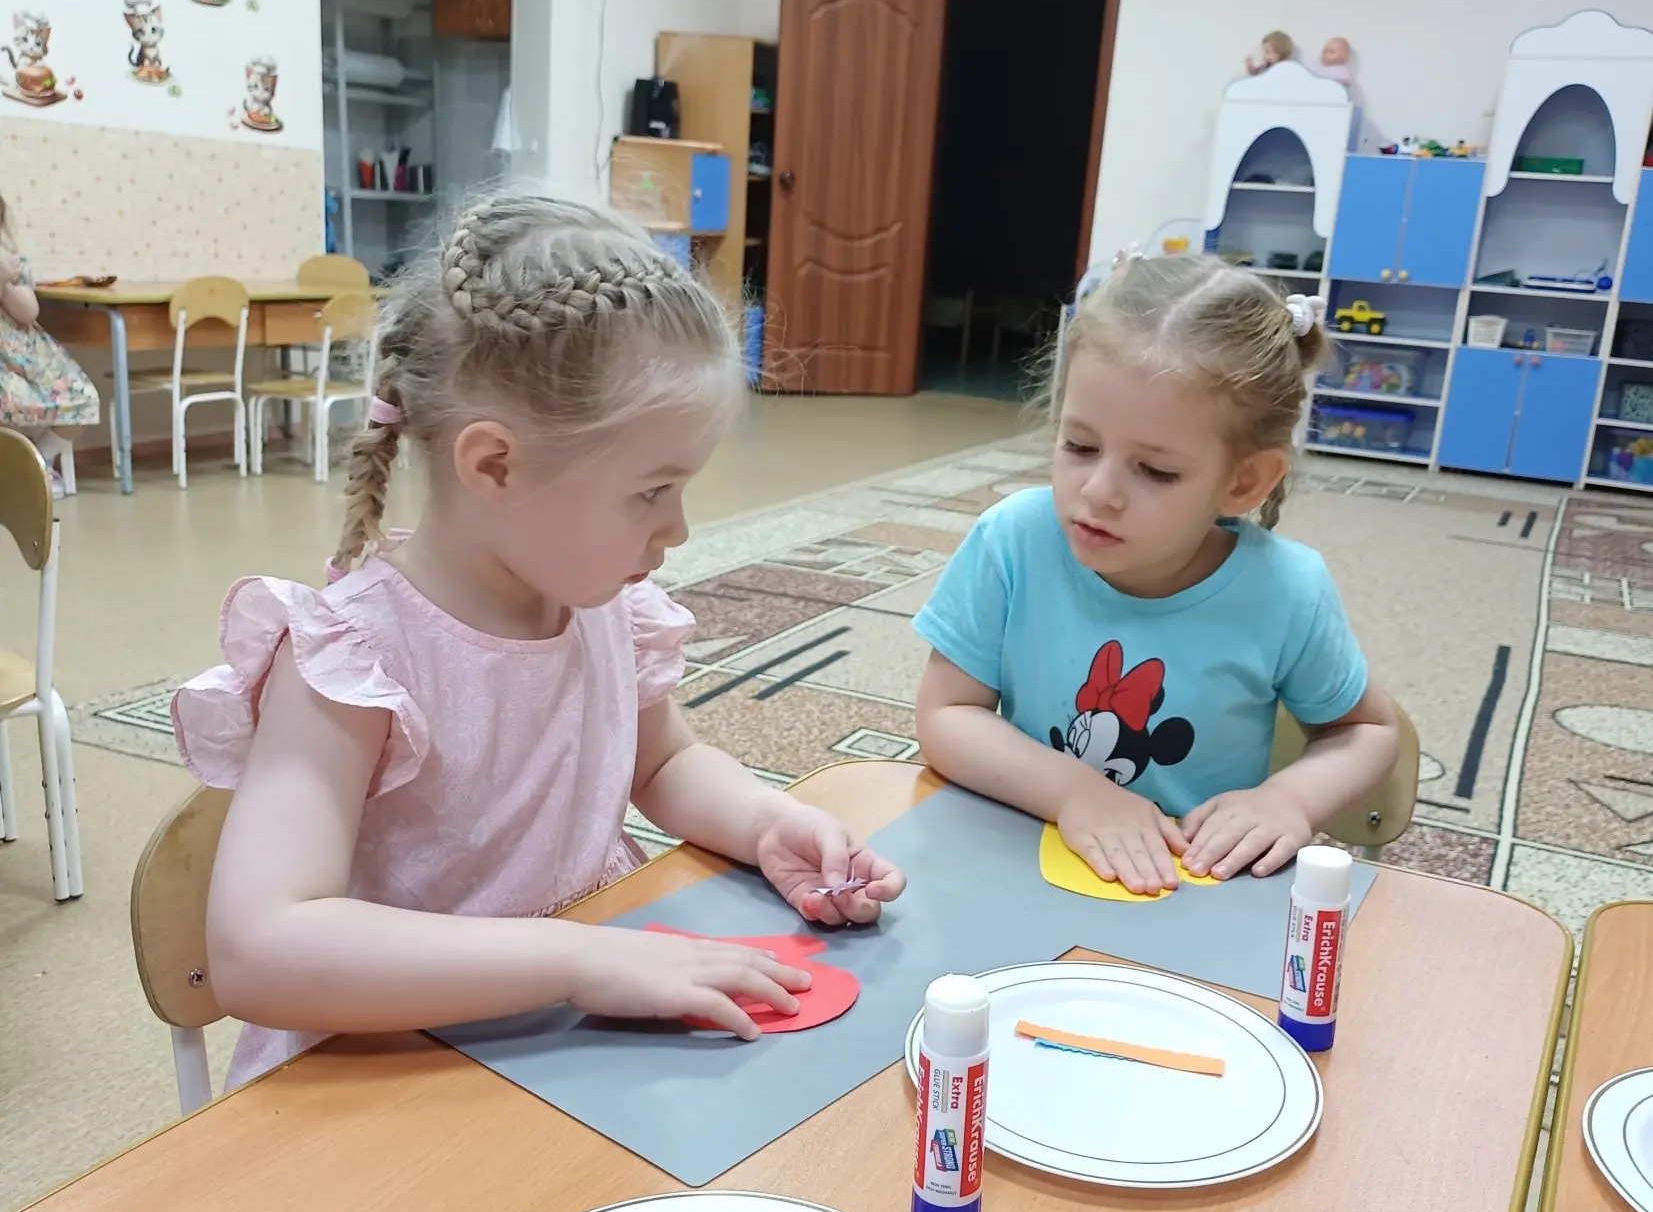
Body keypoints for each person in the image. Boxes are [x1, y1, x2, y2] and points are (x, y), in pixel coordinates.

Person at [172, 192, 906, 1090]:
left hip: (568, 1033)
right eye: (651, 491)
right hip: (392, 1071)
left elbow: (662, 762)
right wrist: (576, 959)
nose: (678, 529)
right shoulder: (349, 659)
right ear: (496, 465)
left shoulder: (598, 601)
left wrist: (763, 821)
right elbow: (257, 948)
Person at [912, 252, 1399, 897]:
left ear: (1244, 482)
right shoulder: (1013, 539)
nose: (1098, 491)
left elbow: (1367, 729)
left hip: (1190, 891)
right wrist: (1074, 792)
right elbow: (946, 714)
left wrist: (1290, 800)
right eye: (1079, 446)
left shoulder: (1287, 589)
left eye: (1156, 471)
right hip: (1022, 858)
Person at [0, 192, 100, 497]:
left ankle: (39, 461)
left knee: (83, 397)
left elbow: (28, 312)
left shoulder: (13, 263)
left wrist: (3, 282)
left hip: (28, 351)